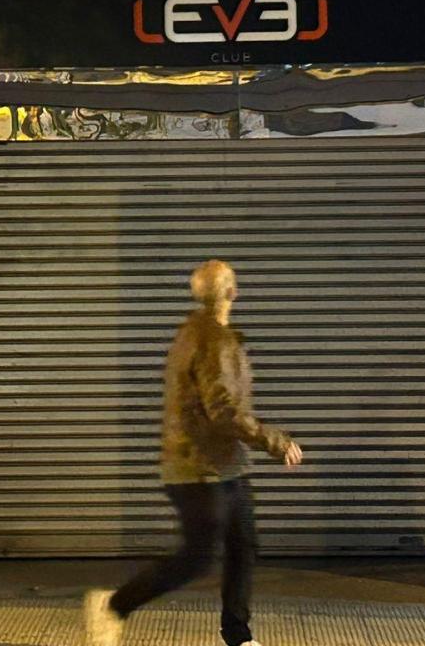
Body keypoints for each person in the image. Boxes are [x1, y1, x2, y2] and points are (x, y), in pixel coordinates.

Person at [83, 259, 303, 646]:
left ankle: (237, 634)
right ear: (232, 293)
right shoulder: (211, 339)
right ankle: (114, 604)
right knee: (198, 558)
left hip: (225, 464)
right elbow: (223, 411)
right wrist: (275, 441)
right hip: (199, 468)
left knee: (243, 545)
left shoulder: (197, 332)